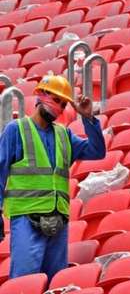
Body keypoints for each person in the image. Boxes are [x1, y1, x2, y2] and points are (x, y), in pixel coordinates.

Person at [0, 75, 106, 281]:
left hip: (59, 221)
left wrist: (88, 118)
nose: (58, 106)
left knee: (56, 282)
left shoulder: (64, 135)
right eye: (55, 99)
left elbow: (97, 151)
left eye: (63, 103)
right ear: (40, 95)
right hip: (26, 220)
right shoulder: (16, 129)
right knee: (25, 281)